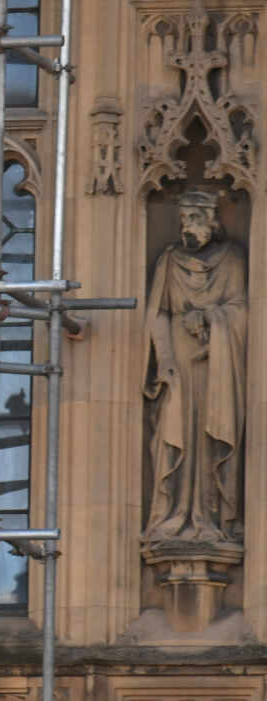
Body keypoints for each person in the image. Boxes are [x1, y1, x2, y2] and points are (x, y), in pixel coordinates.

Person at [142, 189, 248, 548]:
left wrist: (209, 317)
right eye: (184, 219)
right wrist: (166, 359)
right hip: (178, 367)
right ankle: (173, 515)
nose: (188, 227)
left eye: (196, 219)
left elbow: (241, 310)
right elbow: (157, 312)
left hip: (216, 364)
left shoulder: (232, 259)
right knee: (175, 435)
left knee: (210, 435)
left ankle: (211, 517)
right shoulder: (170, 260)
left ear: (213, 222)